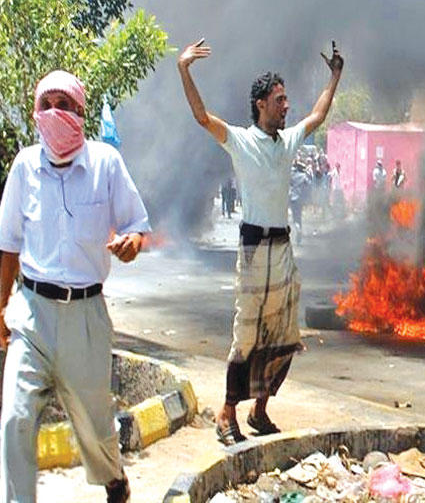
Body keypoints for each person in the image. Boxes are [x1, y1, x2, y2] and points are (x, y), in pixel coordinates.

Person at [177, 38, 343, 445]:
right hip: (254, 250)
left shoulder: (288, 142)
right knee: (248, 333)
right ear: (261, 105)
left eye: (287, 100)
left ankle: (260, 410)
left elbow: (318, 114)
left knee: (284, 332)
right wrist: (184, 69)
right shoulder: (239, 140)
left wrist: (336, 76)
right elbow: (201, 117)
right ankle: (226, 412)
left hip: (282, 249)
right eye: (280, 100)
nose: (287, 106)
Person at [0, 70, 150, 503]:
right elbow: (8, 244)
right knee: (15, 419)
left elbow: (137, 225)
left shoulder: (106, 163)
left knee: (96, 426)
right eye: (45, 105)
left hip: (85, 316)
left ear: (81, 114)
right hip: (32, 313)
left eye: (63, 104)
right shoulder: (24, 166)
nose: (53, 113)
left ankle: (113, 480)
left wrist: (131, 244)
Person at [289, 159, 311, 243]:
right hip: (300, 199)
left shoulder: (292, 175)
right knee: (299, 216)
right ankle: (299, 233)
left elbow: (289, 184)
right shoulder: (304, 176)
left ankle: (298, 228)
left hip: (293, 199)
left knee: (295, 217)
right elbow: (309, 185)